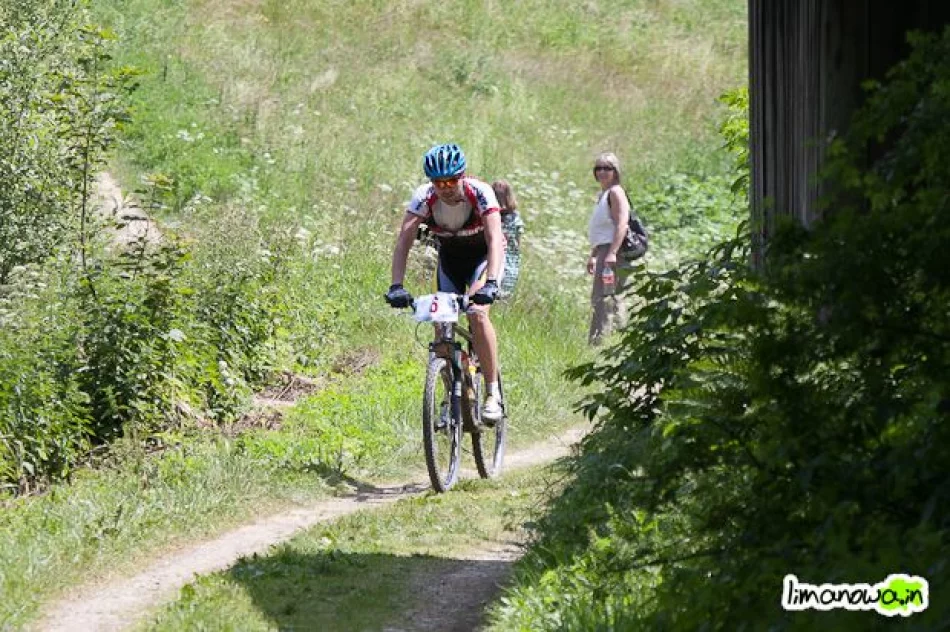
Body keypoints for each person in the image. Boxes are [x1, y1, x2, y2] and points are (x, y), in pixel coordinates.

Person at [385, 143, 506, 422]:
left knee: (477, 314)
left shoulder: (481, 192)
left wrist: (490, 284)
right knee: (441, 327)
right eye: (438, 182)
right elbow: (404, 240)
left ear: (462, 176)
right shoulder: (424, 197)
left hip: (484, 258)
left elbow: (494, 240)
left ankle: (492, 393)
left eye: (451, 180)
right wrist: (396, 285)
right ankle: (450, 395)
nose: (445, 187)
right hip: (451, 260)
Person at [587, 152, 631, 346]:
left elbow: (622, 224)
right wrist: (593, 255)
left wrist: (612, 253)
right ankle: (602, 339)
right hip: (604, 251)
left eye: (607, 168)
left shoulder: (616, 193)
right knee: (602, 296)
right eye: (599, 168)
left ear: (615, 171)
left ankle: (603, 341)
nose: (602, 172)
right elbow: (604, 229)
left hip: (613, 253)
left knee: (607, 296)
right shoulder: (603, 194)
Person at [491, 179, 525, 299]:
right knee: (504, 297)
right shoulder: (515, 218)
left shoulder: (490, 216)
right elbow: (518, 242)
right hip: (511, 263)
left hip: (493, 260)